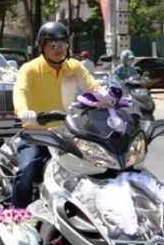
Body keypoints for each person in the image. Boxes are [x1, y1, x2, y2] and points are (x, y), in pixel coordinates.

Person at [12, 22, 100, 208]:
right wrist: (25, 112)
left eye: (63, 44)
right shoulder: (30, 69)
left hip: (68, 133)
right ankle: (16, 218)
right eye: (53, 44)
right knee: (26, 171)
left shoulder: (74, 67)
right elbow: (21, 90)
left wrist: (110, 98)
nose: (59, 49)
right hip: (37, 134)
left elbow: (93, 87)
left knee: (96, 166)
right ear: (42, 45)